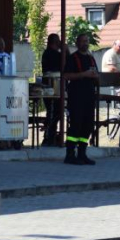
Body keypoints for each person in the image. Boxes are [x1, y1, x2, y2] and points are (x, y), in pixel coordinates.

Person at [63, 33, 99, 165]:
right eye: (83, 41)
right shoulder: (73, 58)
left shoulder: (91, 58)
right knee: (76, 125)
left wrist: (96, 77)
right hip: (76, 97)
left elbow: (96, 74)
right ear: (77, 43)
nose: (85, 43)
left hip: (89, 96)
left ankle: (82, 153)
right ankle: (70, 154)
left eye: (87, 41)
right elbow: (66, 75)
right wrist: (84, 74)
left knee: (87, 125)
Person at [41, 33, 63, 146]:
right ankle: (49, 137)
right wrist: (65, 50)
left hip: (52, 86)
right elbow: (65, 64)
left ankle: (51, 136)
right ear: (55, 42)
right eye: (58, 41)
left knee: (54, 112)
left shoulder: (47, 53)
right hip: (53, 86)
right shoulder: (52, 54)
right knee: (53, 112)